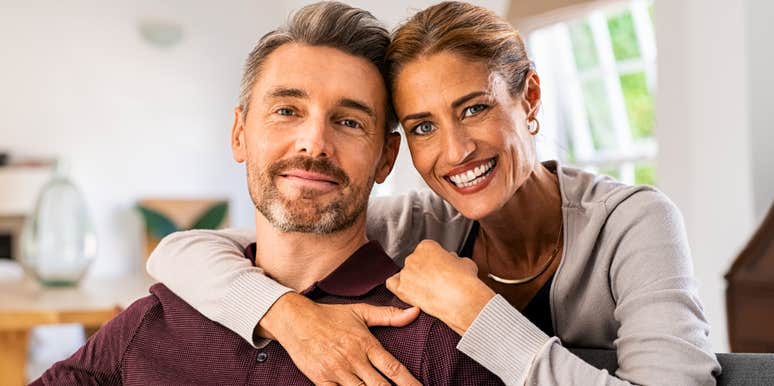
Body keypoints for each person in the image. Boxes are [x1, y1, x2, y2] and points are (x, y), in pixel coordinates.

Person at [147, 1, 722, 385]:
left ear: (530, 99)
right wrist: (286, 314)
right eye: (422, 126)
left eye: (474, 109)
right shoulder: (419, 223)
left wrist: (480, 316)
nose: (454, 151)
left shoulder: (632, 224)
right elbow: (180, 253)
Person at [31, 2, 504, 385]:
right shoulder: (151, 321)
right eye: (286, 110)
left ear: (386, 157)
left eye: (349, 121)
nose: (314, 143)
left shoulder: (438, 341)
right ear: (239, 133)